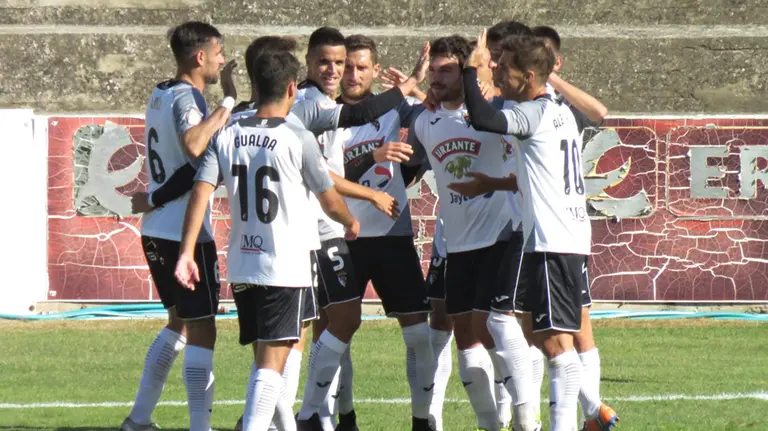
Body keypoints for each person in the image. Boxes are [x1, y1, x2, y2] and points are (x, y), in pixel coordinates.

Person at [175, 50, 359, 431]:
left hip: (244, 265)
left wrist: (186, 252)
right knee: (272, 365)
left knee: (268, 356)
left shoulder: (228, 133)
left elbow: (201, 191)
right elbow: (329, 199)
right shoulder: (298, 137)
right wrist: (350, 220)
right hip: (285, 266)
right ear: (292, 88)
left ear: (255, 87)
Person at [456, 31, 594, 431]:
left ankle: (577, 416)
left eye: (505, 66)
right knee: (537, 334)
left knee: (555, 344)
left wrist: (470, 70)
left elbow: (484, 119)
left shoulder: (533, 113)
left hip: (552, 240)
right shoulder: (559, 110)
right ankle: (581, 411)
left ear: (529, 76)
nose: (497, 69)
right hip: (559, 237)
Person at [407, 35, 531, 431]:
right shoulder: (423, 120)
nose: (437, 78)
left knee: (496, 326)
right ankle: (490, 423)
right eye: (434, 70)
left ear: (465, 72)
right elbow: (408, 167)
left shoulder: (497, 111)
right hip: (457, 242)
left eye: (448, 70)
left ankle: (526, 418)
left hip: (501, 235)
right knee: (465, 333)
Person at [314, 34, 435, 431]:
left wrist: (418, 89)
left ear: (376, 71)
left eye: (361, 67)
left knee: (418, 333)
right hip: (340, 237)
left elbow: (437, 120)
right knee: (336, 331)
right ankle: (342, 416)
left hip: (392, 237)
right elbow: (323, 178)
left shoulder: (394, 108)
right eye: (346, 66)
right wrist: (373, 156)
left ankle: (422, 421)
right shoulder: (325, 113)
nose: (351, 74)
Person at [121, 20, 235, 431]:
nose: (223, 60)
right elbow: (195, 148)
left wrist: (153, 199)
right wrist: (228, 103)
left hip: (156, 229)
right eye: (219, 53)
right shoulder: (188, 97)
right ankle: (199, 427)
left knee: (180, 323)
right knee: (203, 329)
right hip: (182, 231)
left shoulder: (161, 91)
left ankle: (139, 418)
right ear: (200, 57)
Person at [533, 24, 619, 431]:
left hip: (560, 230)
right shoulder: (528, 102)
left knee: (569, 330)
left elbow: (600, 112)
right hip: (552, 229)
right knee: (554, 329)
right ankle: (591, 413)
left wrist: (550, 77)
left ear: (556, 61)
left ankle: (589, 411)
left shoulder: (558, 104)